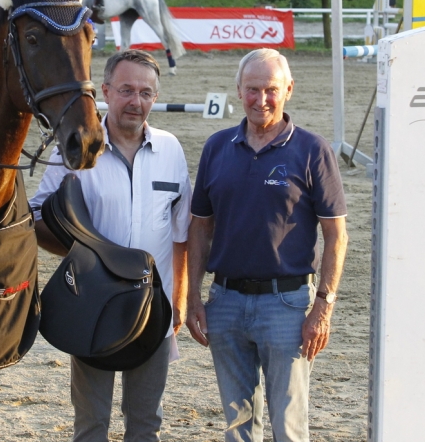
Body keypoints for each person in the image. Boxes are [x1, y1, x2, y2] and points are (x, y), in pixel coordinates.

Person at [185, 48, 349, 442]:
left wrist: (323, 307)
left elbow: (336, 235)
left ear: (288, 90)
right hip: (225, 303)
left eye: (271, 89)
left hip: (287, 306)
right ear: (238, 90)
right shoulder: (216, 147)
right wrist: (192, 299)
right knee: (237, 426)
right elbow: (200, 228)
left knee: (288, 427)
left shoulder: (313, 150)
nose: (262, 100)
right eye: (253, 89)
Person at [31, 49, 191, 442]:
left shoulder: (171, 149)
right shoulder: (77, 147)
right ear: (105, 91)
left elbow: (181, 230)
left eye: (146, 93)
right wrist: (84, 255)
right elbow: (36, 216)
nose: (136, 101)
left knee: (146, 423)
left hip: (154, 306)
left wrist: (180, 297)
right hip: (94, 307)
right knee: (91, 423)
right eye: (126, 90)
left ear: (155, 97)